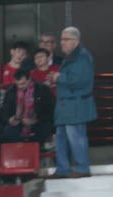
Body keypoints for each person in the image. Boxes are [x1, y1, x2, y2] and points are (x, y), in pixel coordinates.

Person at [53, 27, 95, 180]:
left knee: (76, 137)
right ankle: (62, 168)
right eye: (62, 39)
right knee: (61, 138)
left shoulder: (82, 57)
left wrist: (59, 77)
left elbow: (78, 80)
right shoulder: (71, 57)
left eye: (66, 39)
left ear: (75, 41)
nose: (62, 43)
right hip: (66, 106)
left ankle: (82, 168)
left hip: (75, 105)